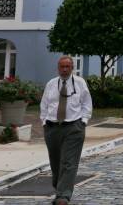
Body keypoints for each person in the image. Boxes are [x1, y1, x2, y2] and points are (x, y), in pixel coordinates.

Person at [40, 56, 93, 205]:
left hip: (73, 127)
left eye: (67, 67)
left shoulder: (80, 83)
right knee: (56, 162)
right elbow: (44, 104)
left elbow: (87, 103)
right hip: (52, 128)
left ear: (72, 68)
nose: (64, 70)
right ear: (58, 68)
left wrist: (83, 121)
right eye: (62, 67)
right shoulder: (51, 84)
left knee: (69, 162)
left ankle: (63, 196)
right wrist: (44, 122)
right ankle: (59, 188)